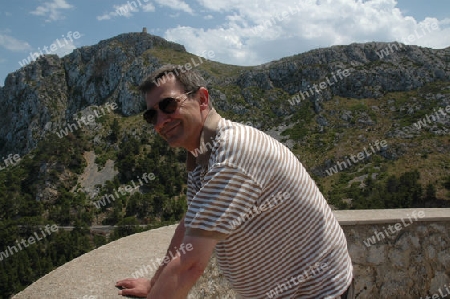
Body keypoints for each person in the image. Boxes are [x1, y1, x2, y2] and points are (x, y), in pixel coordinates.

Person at [115, 64, 354, 299]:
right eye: (151, 115)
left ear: (202, 99)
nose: (160, 121)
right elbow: (189, 224)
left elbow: (190, 265)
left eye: (168, 105)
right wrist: (154, 283)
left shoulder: (233, 152)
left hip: (318, 292)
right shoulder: (201, 154)